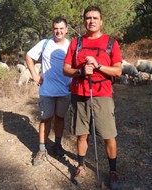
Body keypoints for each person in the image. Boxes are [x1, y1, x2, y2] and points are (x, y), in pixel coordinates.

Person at [63, 6, 122, 189]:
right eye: (88, 18)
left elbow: (118, 71)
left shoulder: (111, 42)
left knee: (108, 135)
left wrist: (98, 66)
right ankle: (80, 166)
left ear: (101, 21)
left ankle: (112, 171)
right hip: (80, 93)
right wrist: (80, 71)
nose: (91, 21)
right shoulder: (76, 43)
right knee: (82, 134)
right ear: (84, 21)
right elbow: (66, 69)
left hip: (102, 95)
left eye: (95, 18)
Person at [26, 16, 72, 166]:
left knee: (60, 118)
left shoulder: (71, 46)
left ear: (66, 30)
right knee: (45, 119)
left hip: (65, 90)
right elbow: (29, 56)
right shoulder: (45, 43)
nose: (58, 31)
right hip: (47, 90)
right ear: (53, 29)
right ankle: (41, 149)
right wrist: (34, 74)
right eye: (55, 28)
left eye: (61, 29)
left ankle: (57, 145)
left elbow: (76, 65)